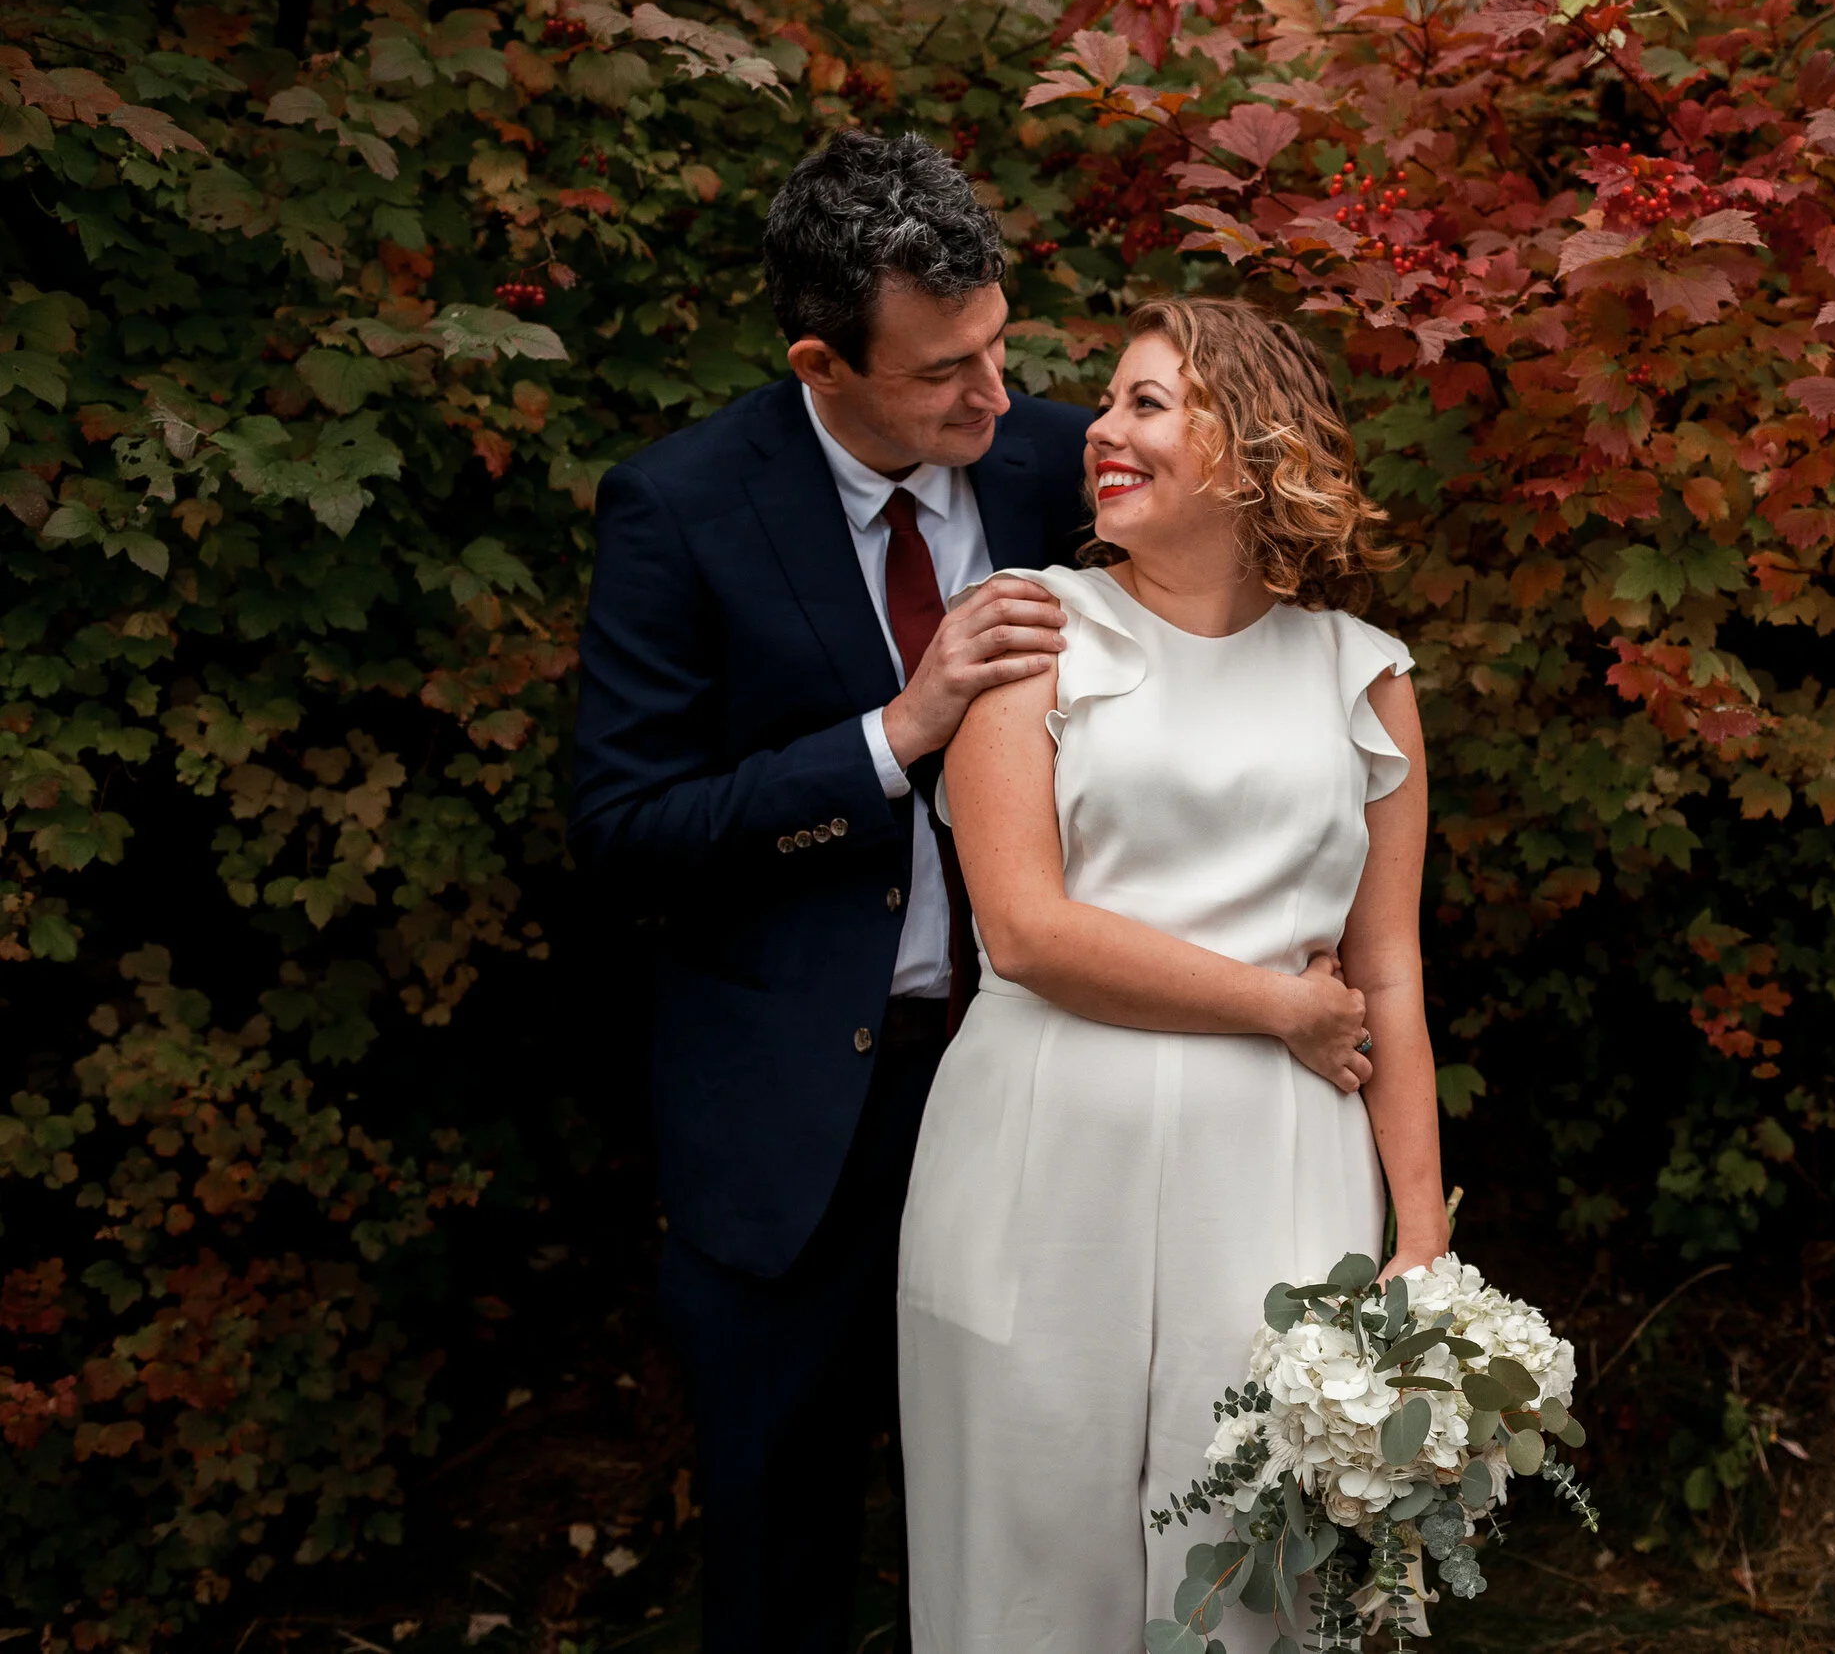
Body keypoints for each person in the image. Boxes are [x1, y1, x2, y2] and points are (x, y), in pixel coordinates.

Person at [568, 131, 1092, 1653]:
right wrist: (892, 737)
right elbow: (626, 831)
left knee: (1030, 1521)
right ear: (820, 361)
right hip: (794, 1121)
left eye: (1000, 345)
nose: (995, 400)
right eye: (945, 374)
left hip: (1042, 1089)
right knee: (782, 1553)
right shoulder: (681, 509)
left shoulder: (1057, 465)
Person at [894, 298, 1449, 1649]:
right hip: (1043, 1141)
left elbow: (1388, 968)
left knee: (1250, 1550)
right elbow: (1021, 927)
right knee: (1027, 1557)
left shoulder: (1361, 676)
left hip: (1276, 1161)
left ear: (1251, 446)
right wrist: (1277, 1003)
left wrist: (1422, 1239)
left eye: (1150, 402)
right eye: (1109, 403)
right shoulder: (1029, 631)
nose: (1103, 431)